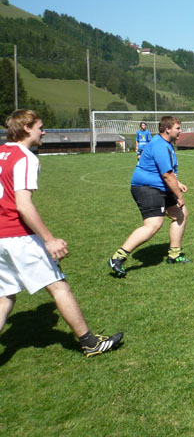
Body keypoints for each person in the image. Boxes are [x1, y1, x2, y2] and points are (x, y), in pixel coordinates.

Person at [0, 109, 123, 357]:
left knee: (4, 297)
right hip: (18, 236)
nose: (43, 132)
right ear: (26, 128)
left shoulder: (1, 152)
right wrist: (49, 239)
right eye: (40, 127)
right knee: (59, 287)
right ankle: (90, 343)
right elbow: (23, 205)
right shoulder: (25, 157)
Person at [108, 115, 190, 278]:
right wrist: (179, 196)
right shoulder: (160, 145)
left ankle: (174, 255)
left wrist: (177, 183)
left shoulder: (165, 143)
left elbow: (165, 171)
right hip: (147, 188)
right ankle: (118, 257)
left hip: (159, 186)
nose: (180, 131)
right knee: (153, 224)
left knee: (181, 214)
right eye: (178, 128)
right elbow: (166, 174)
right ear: (168, 129)